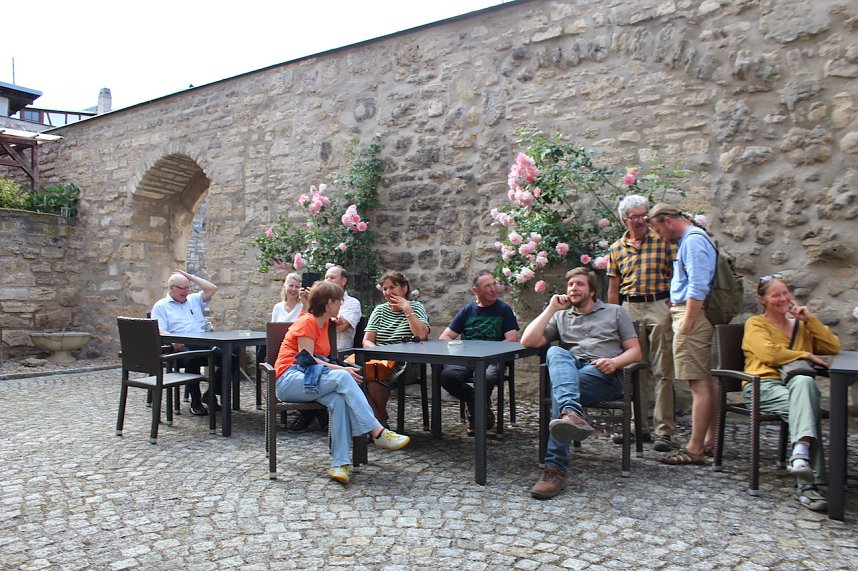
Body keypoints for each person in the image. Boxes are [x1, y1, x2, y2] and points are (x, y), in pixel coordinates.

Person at [521, 267, 641, 499]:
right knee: (555, 351)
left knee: (561, 389)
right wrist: (551, 308)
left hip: (602, 375)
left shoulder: (615, 312)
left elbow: (636, 352)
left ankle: (554, 468)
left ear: (593, 291)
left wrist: (615, 362)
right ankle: (571, 413)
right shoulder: (560, 316)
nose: (573, 288)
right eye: (570, 285)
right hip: (572, 370)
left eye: (579, 284)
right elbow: (529, 340)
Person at [274, 281, 410, 485]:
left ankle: (340, 464)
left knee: (338, 400)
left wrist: (342, 369)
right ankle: (377, 430)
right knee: (344, 377)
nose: (341, 304)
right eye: (339, 300)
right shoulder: (308, 322)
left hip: (310, 380)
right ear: (329, 303)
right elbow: (306, 360)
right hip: (288, 379)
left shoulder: (324, 324)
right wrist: (343, 370)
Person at [742, 274, 840, 512]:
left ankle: (800, 455)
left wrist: (811, 320)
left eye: (785, 293)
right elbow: (770, 355)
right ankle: (808, 485)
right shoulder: (755, 324)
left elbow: (833, 347)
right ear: (763, 299)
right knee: (806, 403)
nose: (783, 299)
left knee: (805, 385)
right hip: (763, 386)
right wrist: (805, 355)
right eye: (776, 295)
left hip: (796, 388)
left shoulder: (802, 326)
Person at [647, 203, 717, 466]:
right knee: (703, 380)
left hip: (692, 319)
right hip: (689, 314)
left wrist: (687, 321)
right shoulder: (695, 239)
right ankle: (709, 440)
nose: (659, 236)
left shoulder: (693, 241)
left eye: (657, 229)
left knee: (697, 383)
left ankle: (695, 449)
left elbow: (698, 285)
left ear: (667, 221)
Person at [606, 195, 677, 452]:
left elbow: (678, 272)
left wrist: (672, 302)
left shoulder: (663, 241)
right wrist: (613, 316)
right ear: (625, 219)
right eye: (635, 216)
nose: (641, 221)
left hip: (659, 305)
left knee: (663, 370)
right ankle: (638, 428)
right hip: (630, 308)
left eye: (644, 215)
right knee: (634, 370)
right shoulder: (617, 248)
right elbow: (614, 288)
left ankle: (664, 431)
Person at [438, 270, 519, 436]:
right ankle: (476, 403)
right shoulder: (467, 310)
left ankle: (475, 416)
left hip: (492, 360)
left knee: (487, 377)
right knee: (446, 376)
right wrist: (458, 346)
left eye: (494, 284)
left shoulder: (504, 310)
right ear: (476, 291)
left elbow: (512, 339)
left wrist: (489, 351)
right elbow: (445, 336)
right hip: (466, 359)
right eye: (487, 286)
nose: (493, 289)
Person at [289, 265, 362, 432]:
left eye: (332, 278)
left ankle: (360, 425)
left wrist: (332, 317)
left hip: (340, 354)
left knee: (345, 375)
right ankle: (371, 428)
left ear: (344, 281)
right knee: (317, 369)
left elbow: (342, 326)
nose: (327, 281)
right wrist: (308, 305)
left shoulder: (351, 303)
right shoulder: (314, 317)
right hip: (317, 357)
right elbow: (304, 328)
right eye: (326, 277)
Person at [151, 269, 230, 416]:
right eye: (182, 288)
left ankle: (210, 393)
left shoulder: (194, 299)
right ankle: (195, 401)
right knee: (192, 358)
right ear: (171, 288)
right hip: (181, 348)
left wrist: (190, 277)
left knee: (230, 358)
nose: (186, 292)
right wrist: (173, 339)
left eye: (187, 288)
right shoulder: (161, 306)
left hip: (204, 343)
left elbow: (212, 288)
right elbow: (158, 329)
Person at [362, 270, 430, 428]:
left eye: (392, 287)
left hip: (406, 364)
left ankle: (377, 425)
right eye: (385, 289)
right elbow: (367, 341)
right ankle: (380, 420)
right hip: (379, 359)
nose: (387, 292)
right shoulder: (379, 310)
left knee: (375, 376)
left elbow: (421, 335)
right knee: (353, 376)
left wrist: (407, 309)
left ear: (404, 288)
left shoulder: (416, 307)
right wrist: (379, 354)